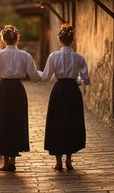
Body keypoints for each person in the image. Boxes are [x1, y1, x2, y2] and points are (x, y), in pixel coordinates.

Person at [0, 25, 41, 171]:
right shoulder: (25, 56)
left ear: (3, 39)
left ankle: (6, 161)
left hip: (3, 89)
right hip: (18, 90)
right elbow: (34, 77)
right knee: (15, 121)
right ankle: (13, 159)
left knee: (3, 122)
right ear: (17, 38)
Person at [37, 23, 90, 171]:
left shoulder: (53, 56)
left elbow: (46, 77)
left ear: (60, 40)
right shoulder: (79, 57)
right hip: (73, 91)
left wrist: (35, 73)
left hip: (59, 90)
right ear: (73, 39)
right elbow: (86, 79)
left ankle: (58, 162)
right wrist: (77, 80)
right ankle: (69, 160)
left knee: (57, 123)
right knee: (72, 123)